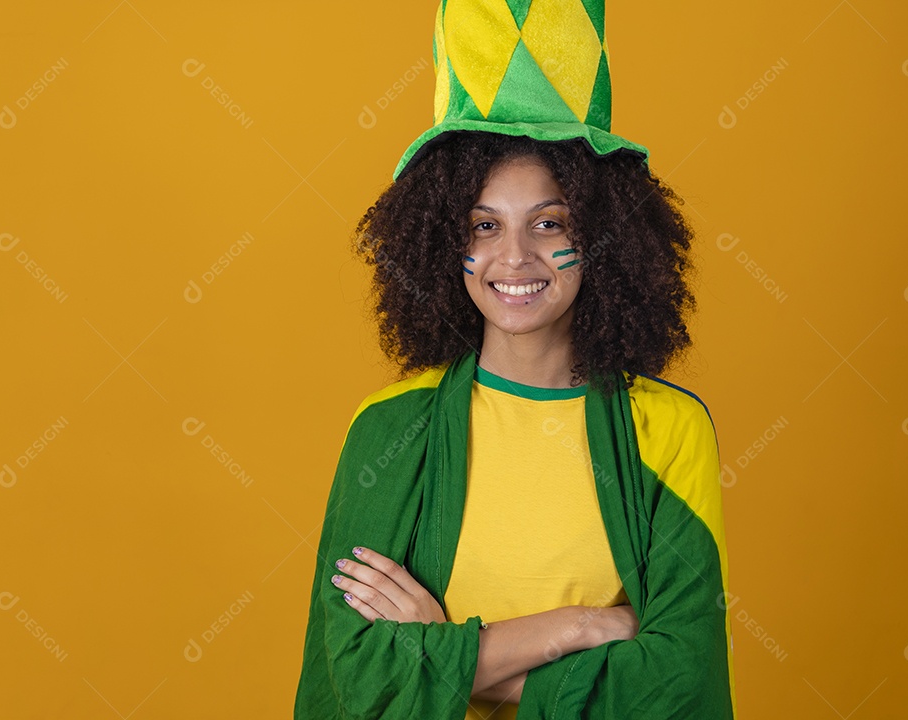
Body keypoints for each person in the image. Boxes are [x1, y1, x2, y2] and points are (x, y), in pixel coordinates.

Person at [293, 2, 736, 718]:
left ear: (602, 235)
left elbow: (677, 683)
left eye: (550, 223)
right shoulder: (390, 428)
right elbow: (355, 674)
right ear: (444, 242)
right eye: (484, 225)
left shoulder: (670, 430)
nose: (516, 258)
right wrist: (585, 627)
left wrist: (446, 659)